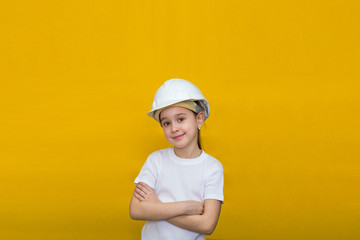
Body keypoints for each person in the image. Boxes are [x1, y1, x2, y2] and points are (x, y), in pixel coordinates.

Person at [129, 78, 224, 240]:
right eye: (166, 123)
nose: (174, 128)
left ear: (199, 119)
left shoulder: (213, 167)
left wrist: (157, 207)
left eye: (181, 119)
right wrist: (186, 207)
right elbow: (136, 210)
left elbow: (207, 225)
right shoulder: (156, 160)